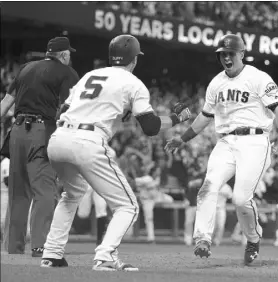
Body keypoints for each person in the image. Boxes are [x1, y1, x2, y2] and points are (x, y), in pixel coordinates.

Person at [40, 34, 191, 271]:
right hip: (88, 141)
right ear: (135, 59)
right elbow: (151, 127)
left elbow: (63, 111)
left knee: (72, 193)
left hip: (59, 139)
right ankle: (105, 256)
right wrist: (176, 118)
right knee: (128, 205)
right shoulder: (133, 83)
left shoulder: (91, 75)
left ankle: (51, 254)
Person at [165, 34, 278, 265]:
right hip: (225, 142)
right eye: (222, 54)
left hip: (255, 140)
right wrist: (183, 139)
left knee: (241, 199)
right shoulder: (216, 82)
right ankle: (202, 238)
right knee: (208, 186)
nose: (225, 57)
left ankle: (253, 238)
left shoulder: (258, 77)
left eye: (230, 53)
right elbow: (205, 117)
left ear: (241, 54)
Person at [0, 37, 79, 257]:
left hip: (16, 132)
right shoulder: (66, 72)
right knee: (44, 190)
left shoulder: (25, 69)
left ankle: (13, 249)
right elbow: (71, 108)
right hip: (42, 132)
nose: (69, 56)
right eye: (68, 53)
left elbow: (5, 103)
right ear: (63, 55)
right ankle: (40, 246)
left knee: (17, 192)